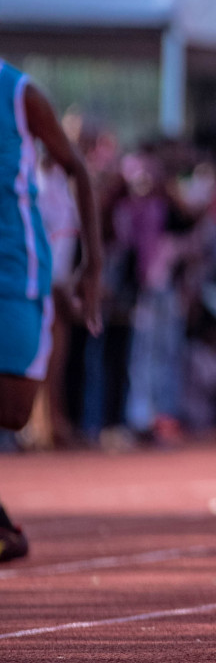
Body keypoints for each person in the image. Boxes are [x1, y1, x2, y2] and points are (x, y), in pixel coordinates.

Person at [0, 60, 102, 561]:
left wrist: (94, 266)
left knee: (15, 410)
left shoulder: (20, 94)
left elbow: (79, 170)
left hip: (18, 268)